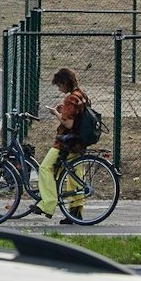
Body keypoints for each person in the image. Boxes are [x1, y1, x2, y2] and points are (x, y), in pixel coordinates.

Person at [35, 66, 89, 220]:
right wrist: (63, 110)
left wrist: (56, 113)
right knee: (74, 176)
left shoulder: (71, 98)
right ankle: (75, 212)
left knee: (45, 168)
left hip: (66, 142)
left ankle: (48, 203)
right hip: (79, 142)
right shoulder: (81, 95)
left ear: (65, 82)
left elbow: (69, 124)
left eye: (59, 85)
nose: (59, 89)